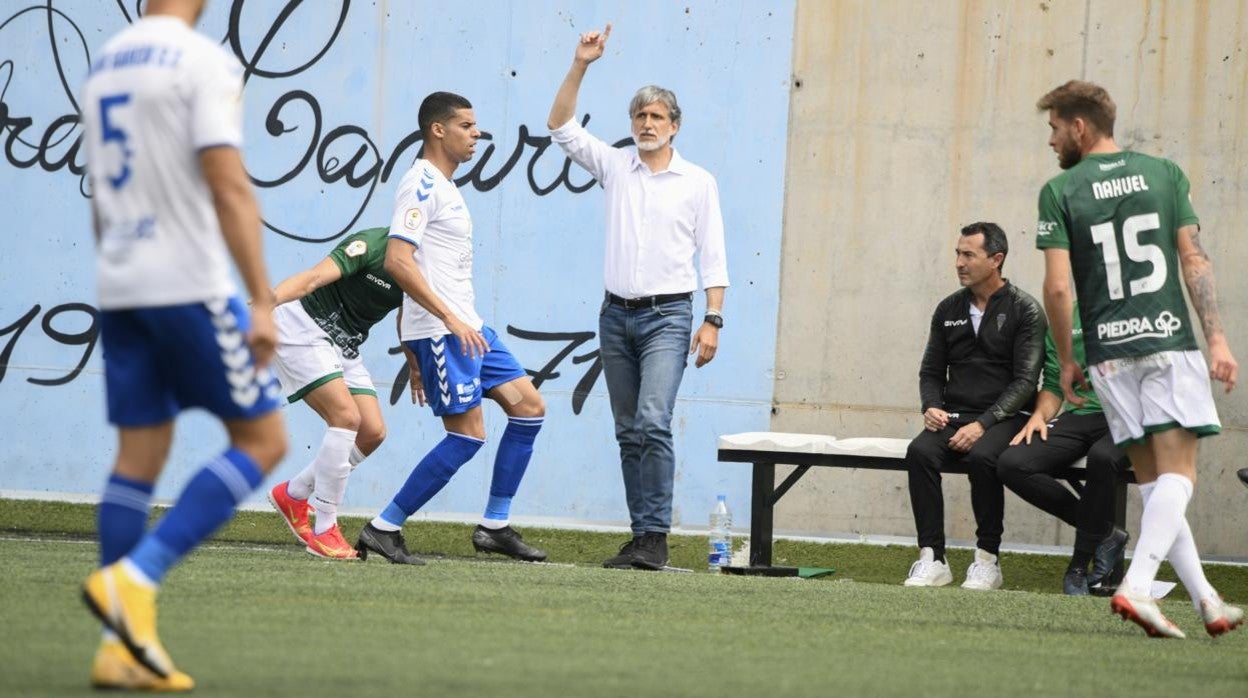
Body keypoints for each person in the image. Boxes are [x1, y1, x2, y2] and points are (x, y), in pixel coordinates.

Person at [78, 0, 287, 690]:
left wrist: (119, 271)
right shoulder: (204, 60)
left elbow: (100, 201)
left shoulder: (108, 60)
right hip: (188, 285)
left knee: (139, 452)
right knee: (263, 441)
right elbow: (229, 187)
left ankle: (119, 649)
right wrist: (260, 298)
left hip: (120, 282)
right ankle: (134, 579)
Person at [1036, 79, 1243, 638]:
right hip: (1166, 341)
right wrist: (1218, 339)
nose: (1052, 141)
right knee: (1180, 478)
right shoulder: (1165, 173)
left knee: (1155, 487)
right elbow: (1193, 260)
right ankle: (1136, 587)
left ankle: (1207, 602)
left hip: (1106, 355)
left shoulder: (1059, 190)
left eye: (1054, 128)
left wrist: (1066, 356)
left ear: (1079, 127)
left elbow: (1057, 290)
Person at [548, 24, 730, 571]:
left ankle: (656, 536)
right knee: (628, 431)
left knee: (653, 419)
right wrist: (581, 64)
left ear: (674, 126)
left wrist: (713, 318)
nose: (647, 124)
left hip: (669, 317)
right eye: (640, 116)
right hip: (615, 316)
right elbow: (559, 126)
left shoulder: (698, 181)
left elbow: (714, 255)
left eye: (657, 117)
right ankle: (642, 538)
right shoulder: (614, 166)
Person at [354, 91, 548, 565]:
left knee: (530, 408)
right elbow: (398, 262)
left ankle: (495, 526)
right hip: (447, 332)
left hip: (468, 327)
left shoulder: (445, 186)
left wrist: (413, 349)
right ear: (437, 130)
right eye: (466, 125)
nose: (476, 133)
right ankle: (384, 527)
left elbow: (417, 269)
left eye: (475, 125)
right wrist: (440, 324)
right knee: (467, 436)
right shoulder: (420, 183)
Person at [902, 223, 1045, 590]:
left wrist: (983, 424)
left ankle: (987, 560)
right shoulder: (948, 308)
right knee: (919, 452)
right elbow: (931, 370)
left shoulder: (1025, 309)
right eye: (957, 254)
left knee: (983, 458)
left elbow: (1026, 381)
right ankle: (932, 557)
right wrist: (931, 405)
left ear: (996, 260)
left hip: (1008, 415)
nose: (959, 263)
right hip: (955, 414)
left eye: (969, 255)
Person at [265, 226, 404, 559]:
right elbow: (313, 278)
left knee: (371, 432)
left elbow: (409, 317)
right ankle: (325, 530)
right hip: (303, 327)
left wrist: (415, 366)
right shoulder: (373, 245)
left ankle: (294, 494)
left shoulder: (427, 265)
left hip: (344, 343)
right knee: (345, 417)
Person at [997, 303, 1131, 596]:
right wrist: (1039, 416)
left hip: (1132, 417)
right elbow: (1056, 384)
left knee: (1102, 458)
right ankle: (1105, 533)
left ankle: (1078, 566)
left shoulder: (1140, 309)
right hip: (1080, 415)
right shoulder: (1066, 316)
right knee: (1011, 463)